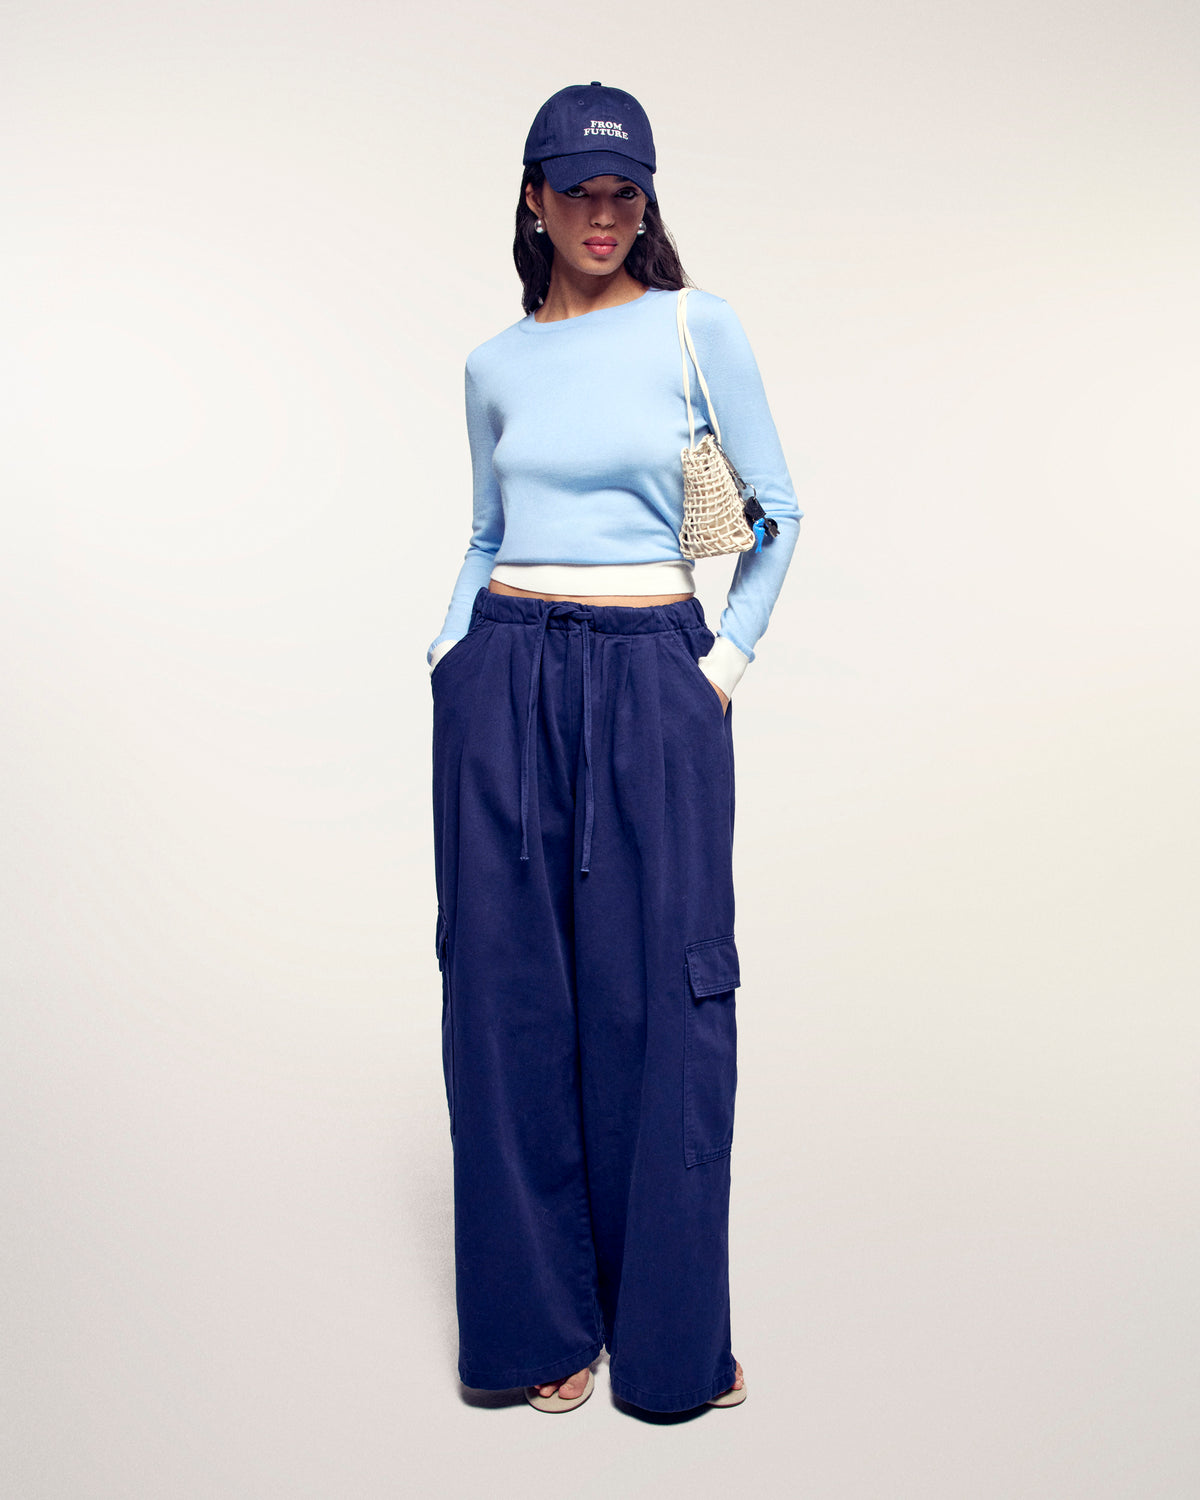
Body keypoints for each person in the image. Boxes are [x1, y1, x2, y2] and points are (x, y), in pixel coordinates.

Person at [429, 82, 800, 1415]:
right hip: (505, 669)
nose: (602, 214)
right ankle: (538, 1329)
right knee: (504, 997)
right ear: (534, 199)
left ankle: (668, 1341)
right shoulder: (493, 365)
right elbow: (485, 530)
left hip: (652, 675)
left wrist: (721, 669)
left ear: (646, 200)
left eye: (624, 191)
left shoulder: (697, 329)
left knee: (663, 1001)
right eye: (577, 191)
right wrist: (450, 656)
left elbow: (776, 511)